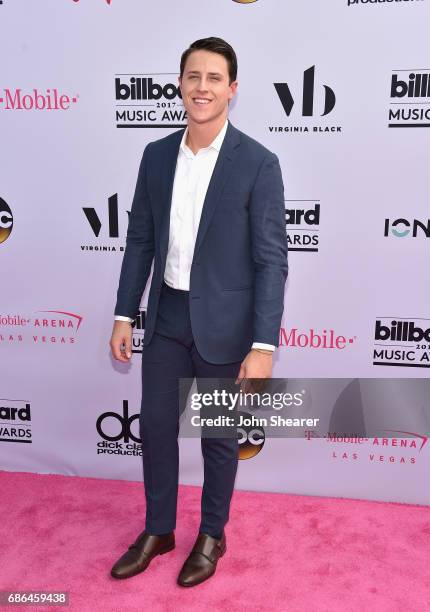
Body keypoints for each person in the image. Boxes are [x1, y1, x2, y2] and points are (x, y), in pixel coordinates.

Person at [109, 36, 288, 587]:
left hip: (226, 326)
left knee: (217, 435)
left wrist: (262, 347)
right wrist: (123, 314)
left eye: (214, 78)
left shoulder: (259, 163)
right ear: (180, 84)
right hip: (166, 317)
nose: (201, 87)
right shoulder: (156, 155)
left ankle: (212, 533)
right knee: (157, 427)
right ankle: (159, 528)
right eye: (193, 76)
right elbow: (139, 240)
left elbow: (271, 261)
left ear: (232, 90)